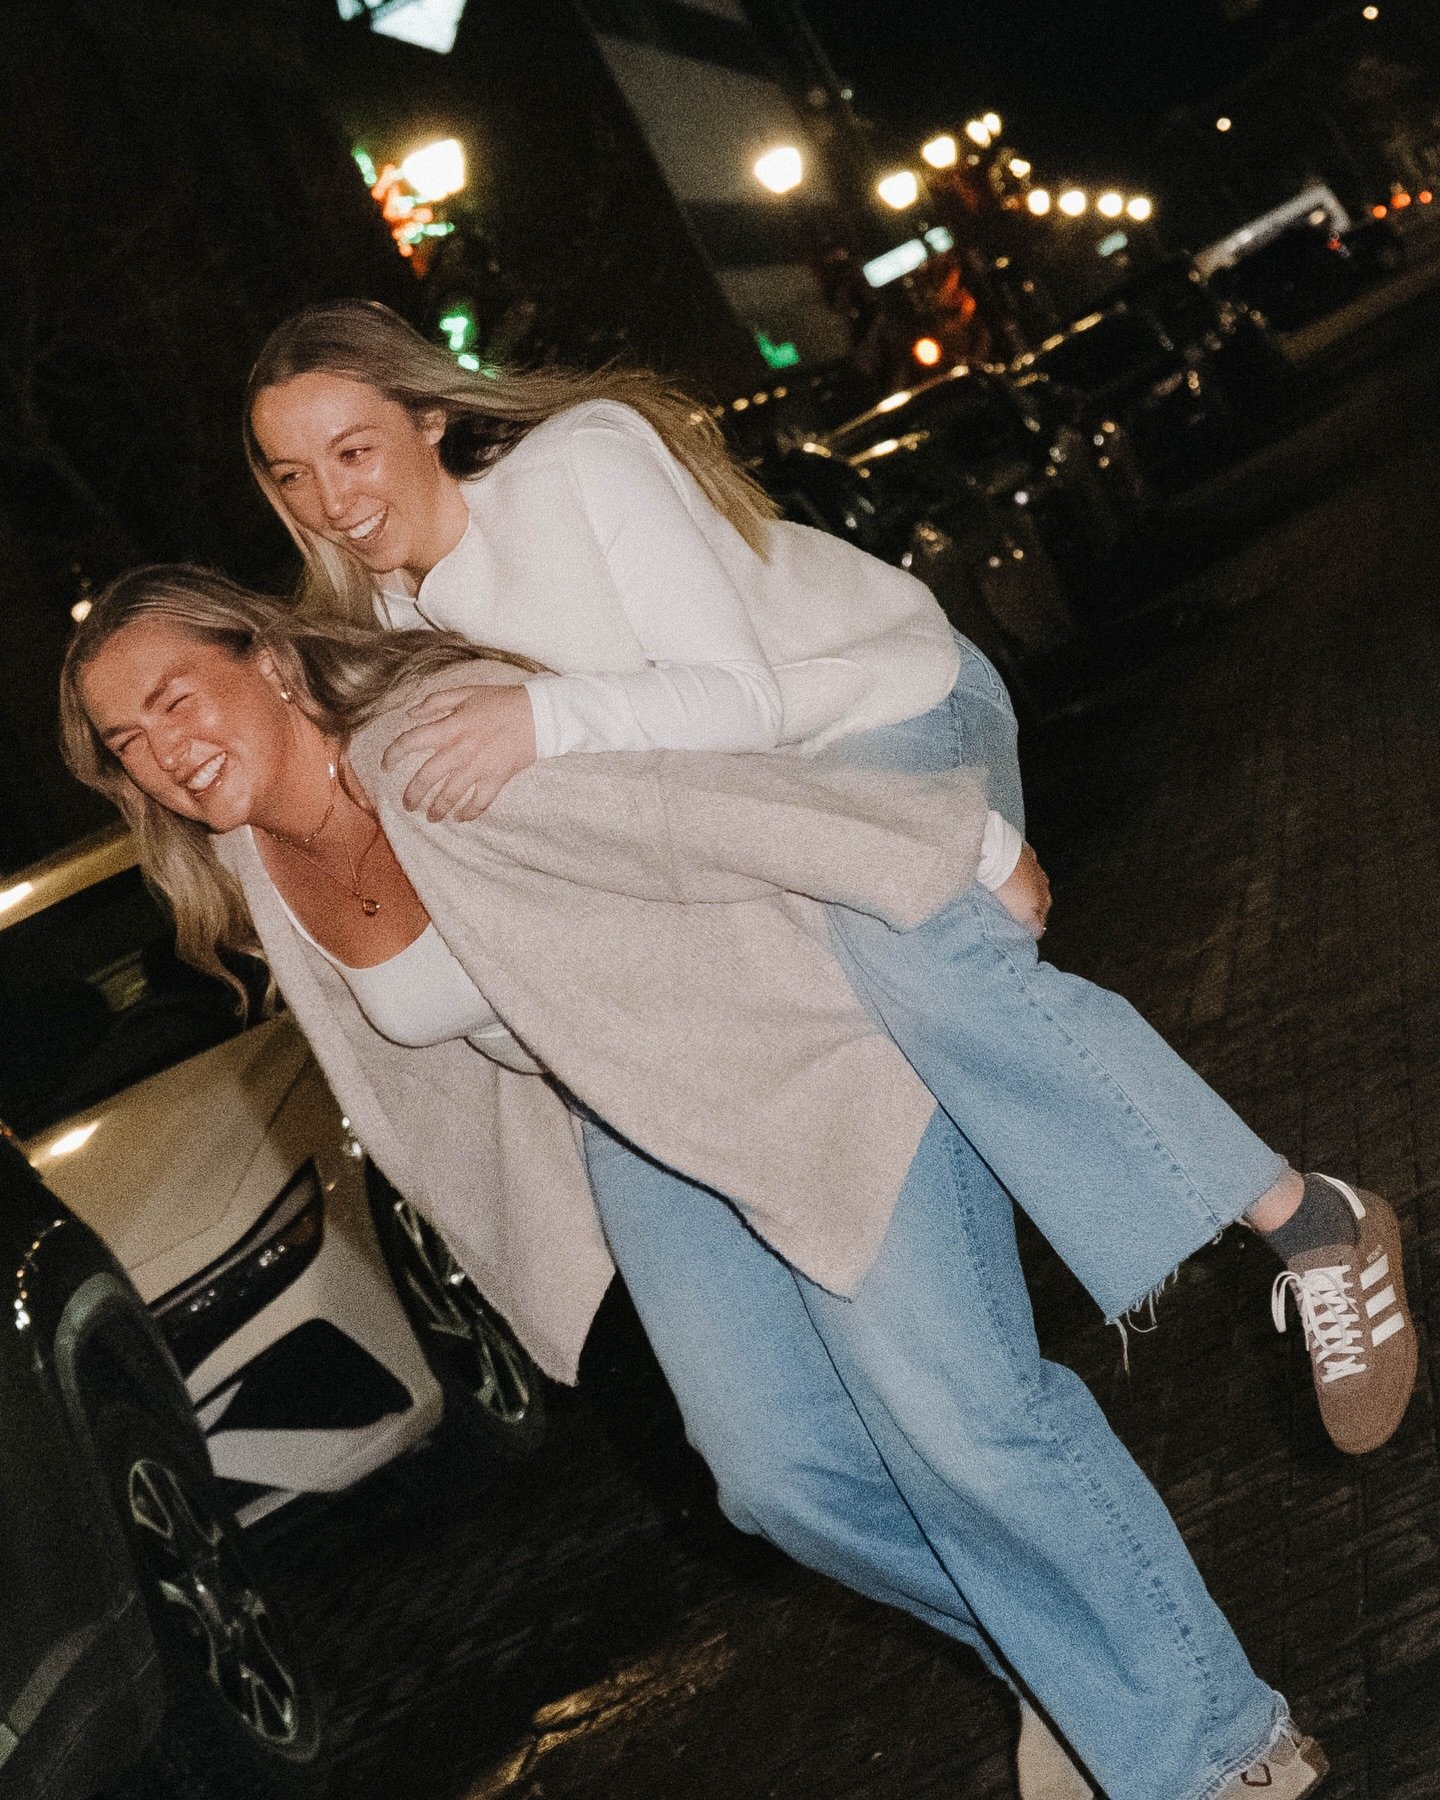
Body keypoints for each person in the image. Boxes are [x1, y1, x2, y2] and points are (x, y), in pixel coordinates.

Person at [63, 566, 1333, 1799]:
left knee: (970, 1426)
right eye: (128, 742)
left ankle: (1223, 1745)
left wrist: (960, 842)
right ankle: (1067, 1673)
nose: (166, 751)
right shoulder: (252, 869)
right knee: (780, 1479)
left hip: (806, 1046)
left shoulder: (428, 752)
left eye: (177, 698)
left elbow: (700, 807)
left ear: (272, 662)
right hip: (644, 1125)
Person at [241, 299, 1414, 1459]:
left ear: (430, 416)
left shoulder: (579, 463)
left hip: (877, 707)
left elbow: (742, 700)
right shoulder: (386, 627)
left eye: (354, 451)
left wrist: (544, 719)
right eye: (294, 476)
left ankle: (1308, 1220)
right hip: (777, 823)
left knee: (918, 960)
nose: (333, 501)